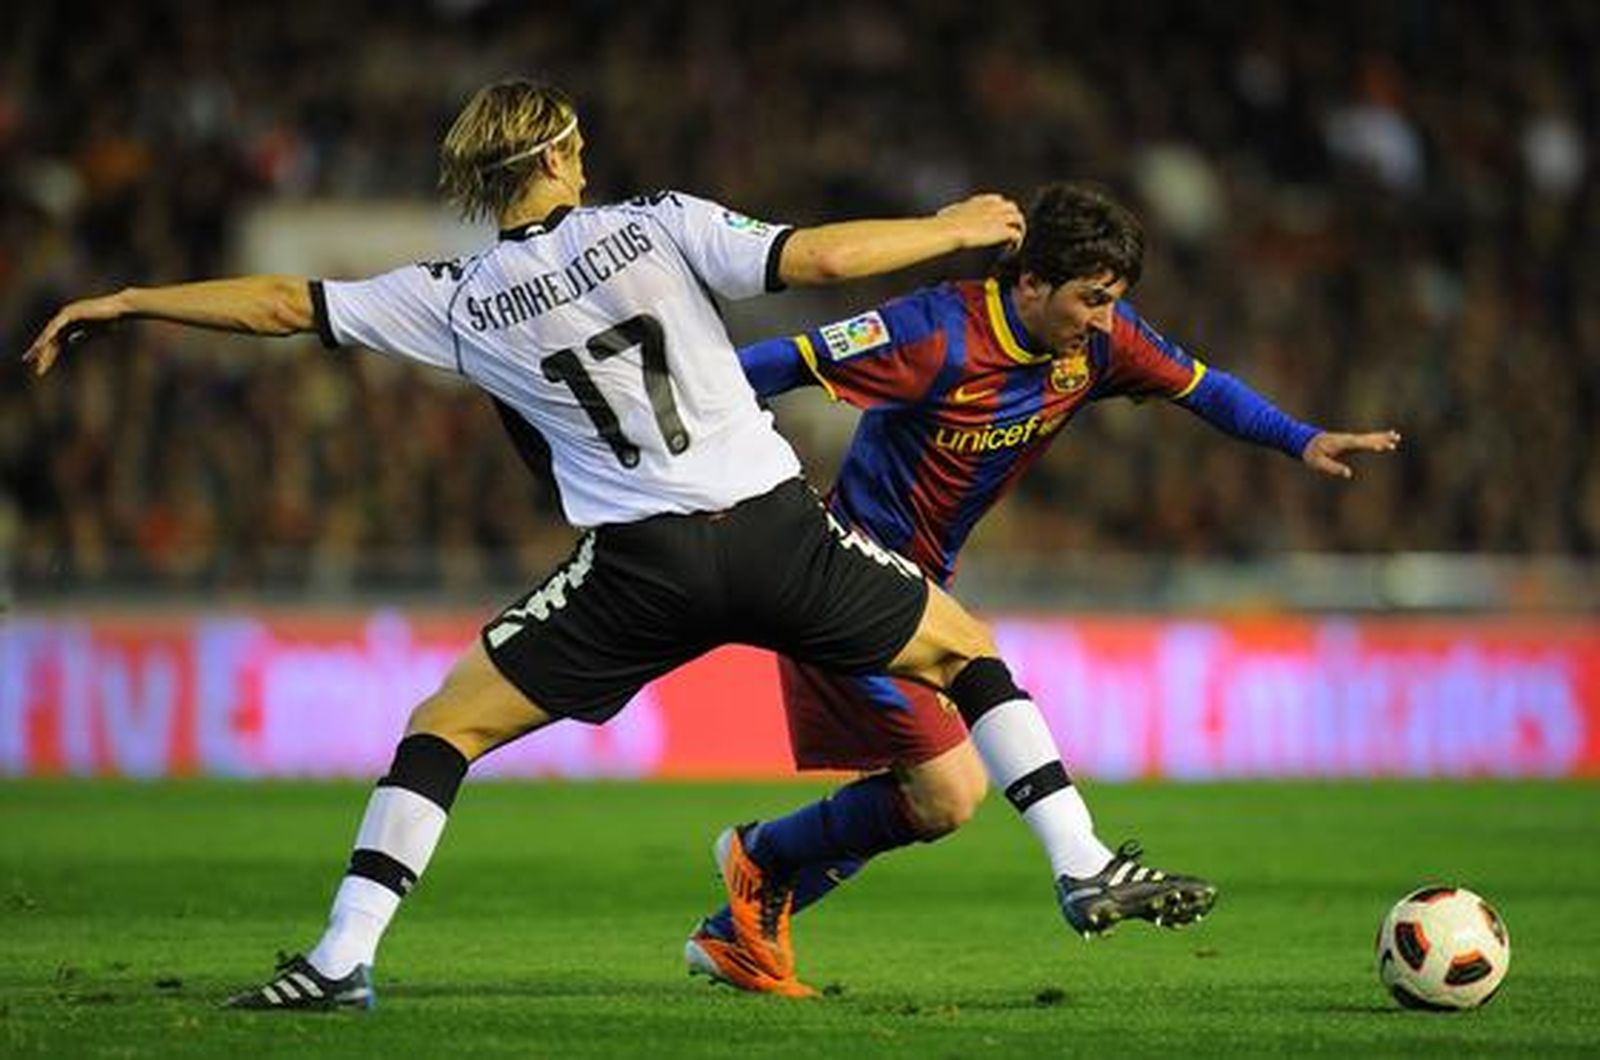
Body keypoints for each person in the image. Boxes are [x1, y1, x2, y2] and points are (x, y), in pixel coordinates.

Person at [21, 79, 1157, 1008]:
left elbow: (282, 305)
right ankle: (1079, 861)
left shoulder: (457, 297)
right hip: (771, 531)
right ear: (559, 156)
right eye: (575, 143)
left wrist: (129, 300)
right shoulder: (654, 223)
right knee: (964, 654)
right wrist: (953, 231)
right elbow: (815, 261)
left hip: (639, 569)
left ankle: (338, 957)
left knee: (443, 728)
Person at [683, 181, 1401, 995]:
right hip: (842, 569)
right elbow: (766, 366)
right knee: (961, 734)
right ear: (1029, 283)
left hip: (916, 578)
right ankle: (1074, 862)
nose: (1103, 320)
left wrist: (1300, 440)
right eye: (1090, 300)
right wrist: (706, 470)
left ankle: (755, 882)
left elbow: (1204, 389)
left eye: (1114, 301)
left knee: (939, 797)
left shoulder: (1096, 344)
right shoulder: (934, 331)